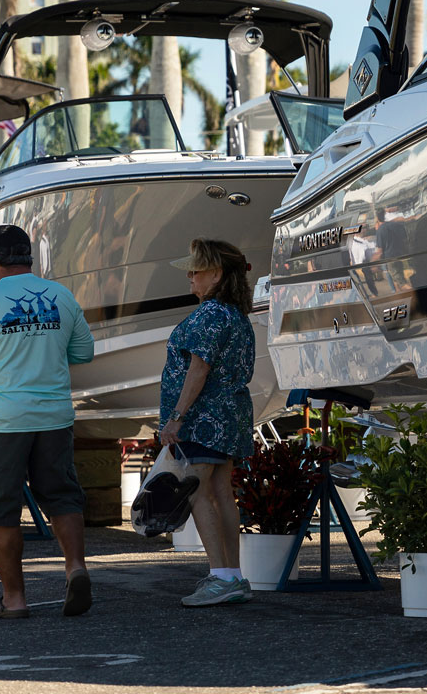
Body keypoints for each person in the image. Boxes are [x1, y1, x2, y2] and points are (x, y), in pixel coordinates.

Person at [0, 224, 95, 620]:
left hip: (2, 422)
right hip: (54, 417)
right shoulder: (61, 295)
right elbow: (84, 352)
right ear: (28, 257)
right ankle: (75, 568)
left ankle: (14, 599)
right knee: (62, 496)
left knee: (0, 510)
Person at [158, 238, 257, 608]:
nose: (190, 276)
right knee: (220, 493)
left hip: (204, 419)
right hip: (229, 415)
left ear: (216, 274)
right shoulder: (235, 315)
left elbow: (199, 368)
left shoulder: (211, 315)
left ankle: (220, 576)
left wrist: (176, 418)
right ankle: (232, 575)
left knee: (195, 491)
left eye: (196, 271)